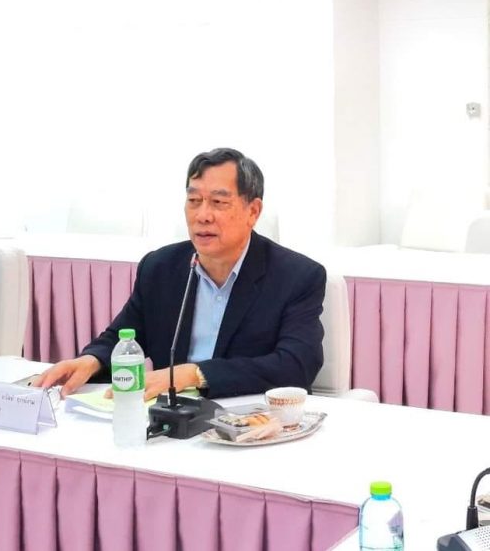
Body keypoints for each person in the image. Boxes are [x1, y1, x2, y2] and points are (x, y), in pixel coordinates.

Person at [34, 148, 326, 400]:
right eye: (194, 200)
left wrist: (194, 374)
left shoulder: (296, 276)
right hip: (172, 421)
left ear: (253, 211)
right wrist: (91, 361)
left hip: (252, 420)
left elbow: (296, 365)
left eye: (219, 202)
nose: (202, 215)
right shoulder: (161, 267)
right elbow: (124, 334)